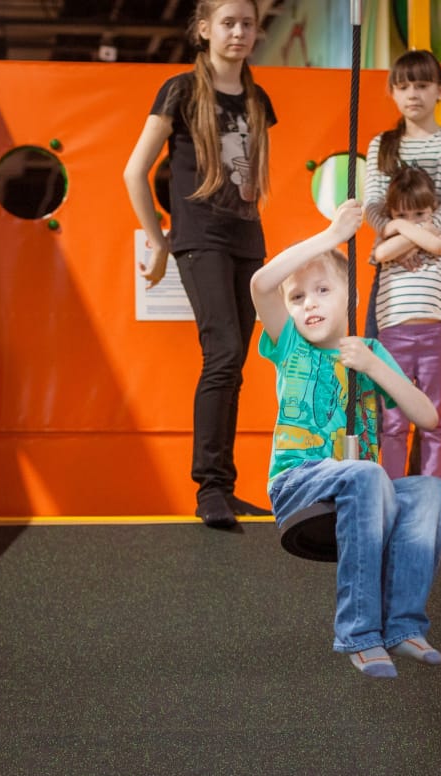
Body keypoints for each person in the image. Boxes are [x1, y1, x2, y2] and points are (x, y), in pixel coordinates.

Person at [250, 199, 441, 678]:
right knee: (366, 473)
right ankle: (360, 633)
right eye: (298, 297)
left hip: (362, 493)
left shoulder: (370, 351)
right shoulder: (289, 344)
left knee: (431, 490)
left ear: (351, 296)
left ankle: (402, 625)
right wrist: (330, 237)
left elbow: (426, 416)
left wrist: (373, 365)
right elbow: (260, 284)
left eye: (323, 290)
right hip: (300, 484)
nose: (310, 303)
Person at [123, 0, 275, 529]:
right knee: (223, 352)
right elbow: (135, 172)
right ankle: (209, 487)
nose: (239, 32)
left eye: (247, 24)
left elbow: (249, 177)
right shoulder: (181, 91)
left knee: (234, 365)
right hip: (199, 238)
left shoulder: (257, 100)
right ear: (204, 29)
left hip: (246, 240)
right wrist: (159, 242)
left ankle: (224, 487)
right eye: (228, 23)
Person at [363, 49, 441, 475]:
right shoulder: (382, 145)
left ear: (440, 91)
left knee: (431, 387)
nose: (413, 94)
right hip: (393, 270)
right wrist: (408, 236)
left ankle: (421, 484)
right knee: (383, 376)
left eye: (423, 85)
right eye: (404, 86)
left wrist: (409, 238)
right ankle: (383, 480)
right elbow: (374, 207)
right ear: (392, 92)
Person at [370, 166, 441, 479]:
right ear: (390, 214)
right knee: (394, 423)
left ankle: (434, 490)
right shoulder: (390, 239)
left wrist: (398, 228)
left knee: (433, 420)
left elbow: (440, 246)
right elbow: (383, 253)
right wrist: (415, 232)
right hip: (394, 338)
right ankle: (391, 488)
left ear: (433, 209)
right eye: (401, 215)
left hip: (433, 337)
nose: (412, 220)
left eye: (420, 213)